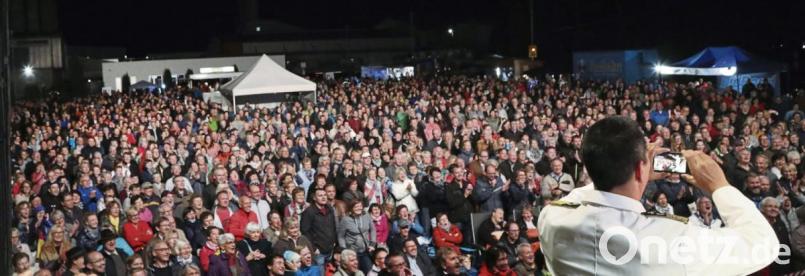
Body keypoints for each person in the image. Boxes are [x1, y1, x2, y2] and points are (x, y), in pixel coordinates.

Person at [538, 116, 780, 275]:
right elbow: (762, 244)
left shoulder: (553, 218)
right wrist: (720, 186)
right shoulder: (672, 239)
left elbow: (583, 196)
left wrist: (637, 173)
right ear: (639, 168)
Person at [337, 200, 377, 274]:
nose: (359, 208)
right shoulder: (345, 220)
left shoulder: (366, 216)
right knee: (355, 273)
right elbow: (341, 236)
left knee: (370, 271)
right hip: (352, 251)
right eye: (356, 206)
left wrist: (372, 244)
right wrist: (344, 249)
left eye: (360, 206)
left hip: (365, 250)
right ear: (351, 208)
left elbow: (372, 229)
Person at [301, 189, 337, 265]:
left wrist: (334, 241)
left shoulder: (330, 209)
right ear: (314, 198)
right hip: (318, 252)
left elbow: (333, 226)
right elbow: (305, 232)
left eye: (325, 195)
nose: (323, 197)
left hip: (330, 249)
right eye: (320, 196)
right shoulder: (309, 212)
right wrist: (313, 248)